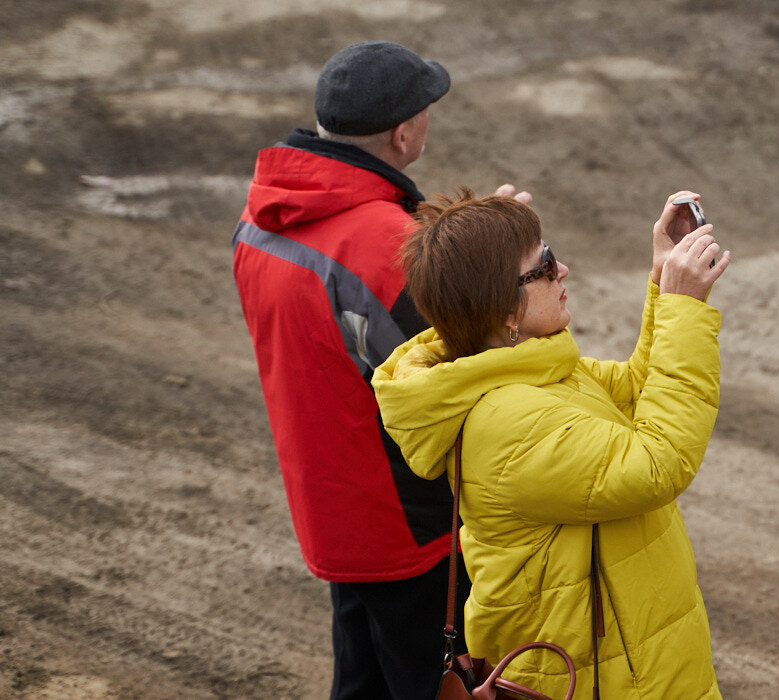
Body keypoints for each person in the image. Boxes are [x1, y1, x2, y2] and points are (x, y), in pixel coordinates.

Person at [231, 42, 527, 699]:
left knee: (360, 680)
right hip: (408, 519)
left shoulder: (258, 225)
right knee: (431, 682)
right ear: (404, 132)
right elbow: (457, 377)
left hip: (331, 506)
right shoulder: (383, 247)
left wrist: (470, 239)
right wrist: (501, 270)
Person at [372, 189, 729, 699]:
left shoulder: (525, 368)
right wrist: (683, 309)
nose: (564, 270)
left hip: (630, 661)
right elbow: (656, 463)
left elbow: (630, 398)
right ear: (505, 312)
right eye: (544, 265)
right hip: (598, 679)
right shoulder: (507, 421)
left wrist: (660, 284)